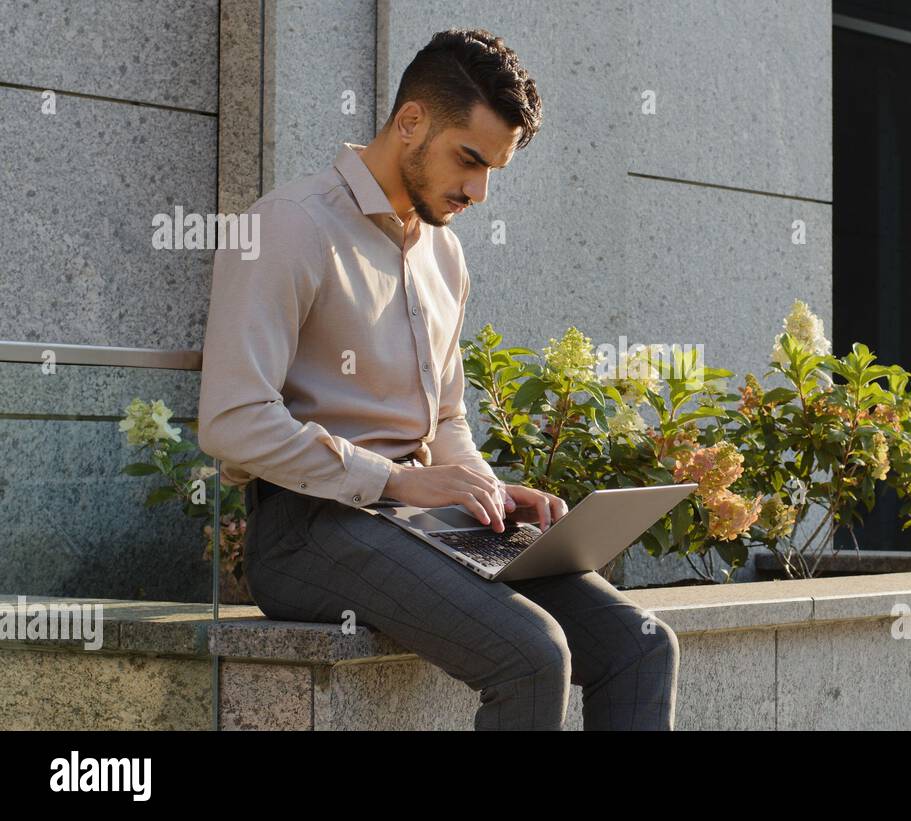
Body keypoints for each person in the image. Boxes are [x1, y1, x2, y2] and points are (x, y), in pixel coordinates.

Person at [197, 27, 678, 730]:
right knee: (534, 654)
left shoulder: (444, 256)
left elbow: (446, 421)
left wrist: (485, 490)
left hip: (424, 521)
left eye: (495, 171)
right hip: (308, 530)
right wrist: (393, 481)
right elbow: (230, 420)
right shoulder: (289, 227)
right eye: (470, 160)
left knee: (642, 645)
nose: (479, 191)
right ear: (412, 121)